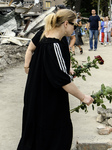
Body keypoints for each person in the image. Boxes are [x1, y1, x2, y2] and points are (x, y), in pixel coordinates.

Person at [18, 9, 94, 150]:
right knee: (56, 133)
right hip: (49, 97)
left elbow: (59, 70)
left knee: (35, 131)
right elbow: (62, 80)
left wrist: (67, 69)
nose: (75, 28)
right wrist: (83, 97)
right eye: (74, 25)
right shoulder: (54, 45)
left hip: (35, 93)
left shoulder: (50, 40)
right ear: (66, 24)